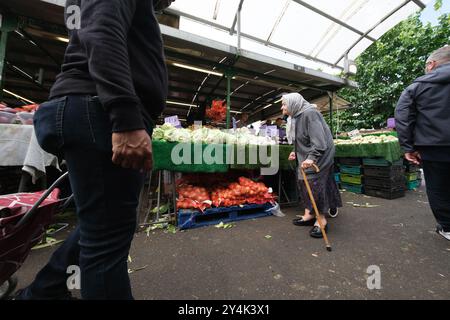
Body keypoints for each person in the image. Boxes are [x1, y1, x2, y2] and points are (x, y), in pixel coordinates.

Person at [15, 0, 172, 300]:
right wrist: (125, 117)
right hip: (98, 111)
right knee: (107, 243)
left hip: (93, 109)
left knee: (100, 225)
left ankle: (43, 293)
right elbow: (101, 29)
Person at [395, 45, 450, 242]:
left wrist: (408, 147)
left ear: (432, 63)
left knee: (438, 187)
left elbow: (403, 117)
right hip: (433, 145)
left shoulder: (417, 86)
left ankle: (447, 227)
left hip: (434, 147)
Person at [282, 93, 342, 238]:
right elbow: (302, 139)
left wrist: (312, 158)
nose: (282, 107)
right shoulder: (296, 117)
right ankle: (309, 214)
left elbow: (319, 141)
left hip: (320, 156)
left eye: (284, 104)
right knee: (303, 183)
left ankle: (321, 220)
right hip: (306, 155)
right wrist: (295, 152)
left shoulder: (310, 114)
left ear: (293, 104)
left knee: (314, 186)